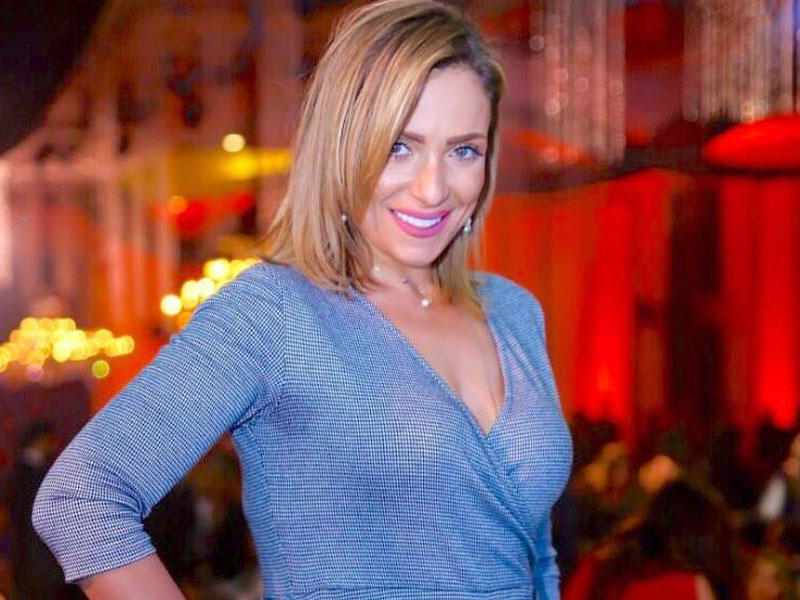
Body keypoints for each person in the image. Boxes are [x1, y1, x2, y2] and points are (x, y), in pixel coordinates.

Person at [32, 1, 573, 599]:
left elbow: (536, 555)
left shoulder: (514, 312)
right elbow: (81, 499)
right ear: (342, 147)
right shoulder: (275, 313)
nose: (433, 188)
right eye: (399, 146)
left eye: (463, 150)